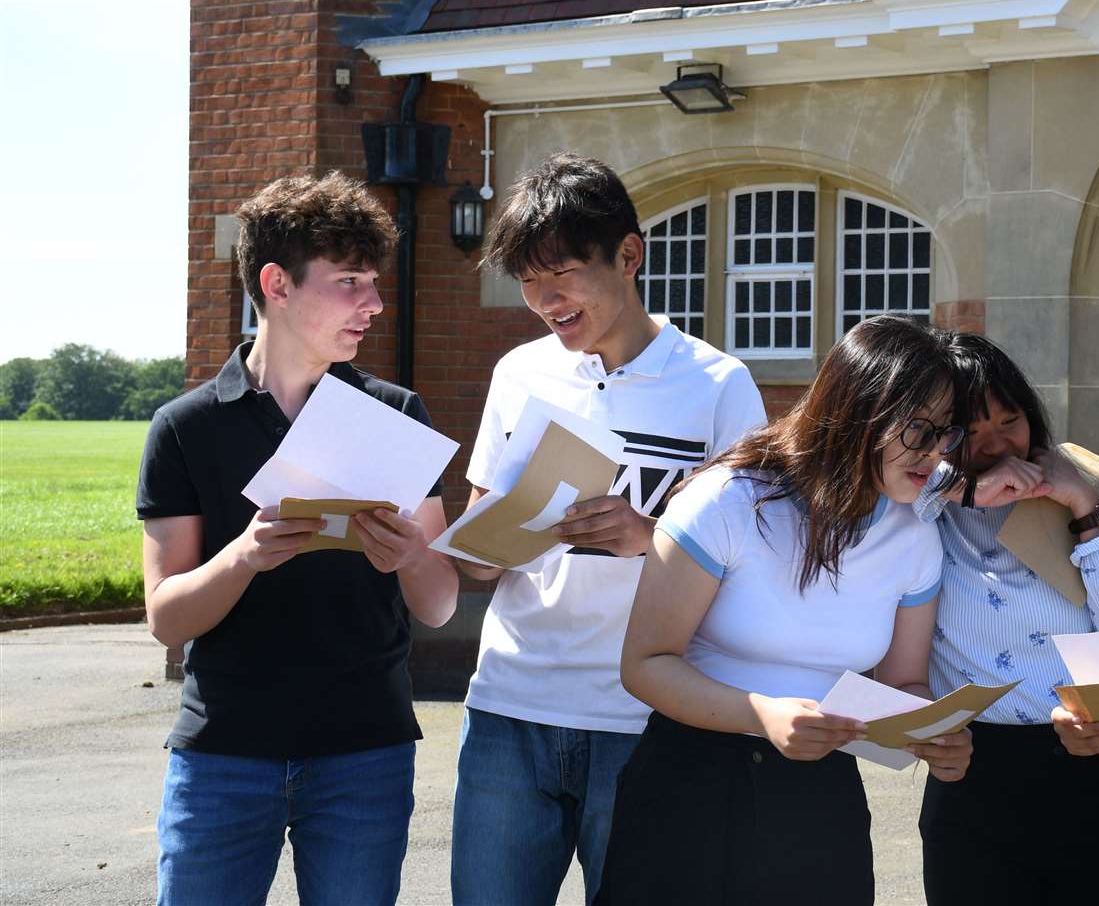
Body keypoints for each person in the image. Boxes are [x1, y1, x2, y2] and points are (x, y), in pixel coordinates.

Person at [449, 153, 765, 906]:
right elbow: (478, 543)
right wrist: (477, 548)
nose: (543, 300)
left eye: (559, 273)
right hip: (508, 705)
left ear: (628, 255)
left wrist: (646, 535)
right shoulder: (520, 374)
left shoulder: (718, 385)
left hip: (646, 717)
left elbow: (756, 563)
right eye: (527, 280)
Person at [137, 172, 460, 906]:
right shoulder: (186, 428)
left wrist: (411, 553)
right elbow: (167, 618)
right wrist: (244, 556)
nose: (374, 304)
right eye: (350, 282)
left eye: (375, 283)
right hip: (223, 756)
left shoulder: (396, 412)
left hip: (365, 753)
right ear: (277, 283)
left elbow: (439, 604)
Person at [596, 315, 975, 906]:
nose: (935, 454)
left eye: (946, 434)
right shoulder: (727, 498)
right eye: (918, 430)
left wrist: (934, 734)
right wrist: (763, 716)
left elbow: (904, 681)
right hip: (691, 788)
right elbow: (645, 663)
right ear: (860, 410)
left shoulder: (915, 536)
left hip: (818, 799)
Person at [912, 332, 1099, 905]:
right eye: (969, 430)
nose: (995, 444)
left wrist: (1082, 509)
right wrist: (960, 490)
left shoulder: (1090, 491)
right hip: (975, 777)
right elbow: (861, 475)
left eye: (1010, 420)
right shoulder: (918, 512)